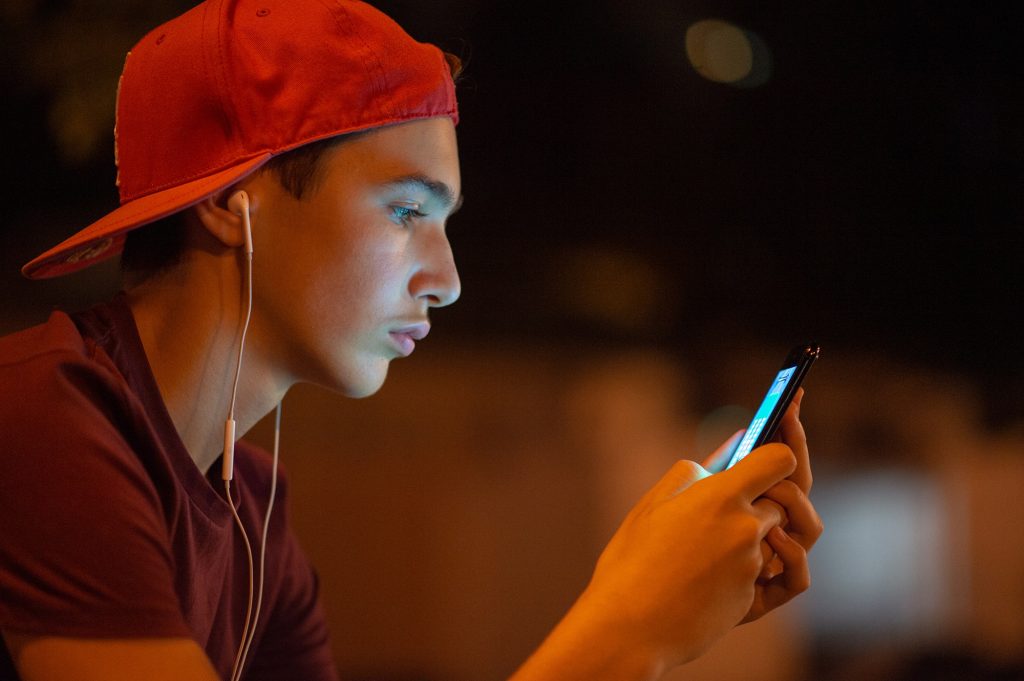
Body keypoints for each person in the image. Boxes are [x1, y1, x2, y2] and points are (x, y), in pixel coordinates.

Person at [0, 1, 823, 680]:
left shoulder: (251, 512)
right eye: (406, 212)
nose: (448, 278)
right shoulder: (43, 420)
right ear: (231, 201)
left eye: (445, 221)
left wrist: (652, 599)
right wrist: (633, 627)